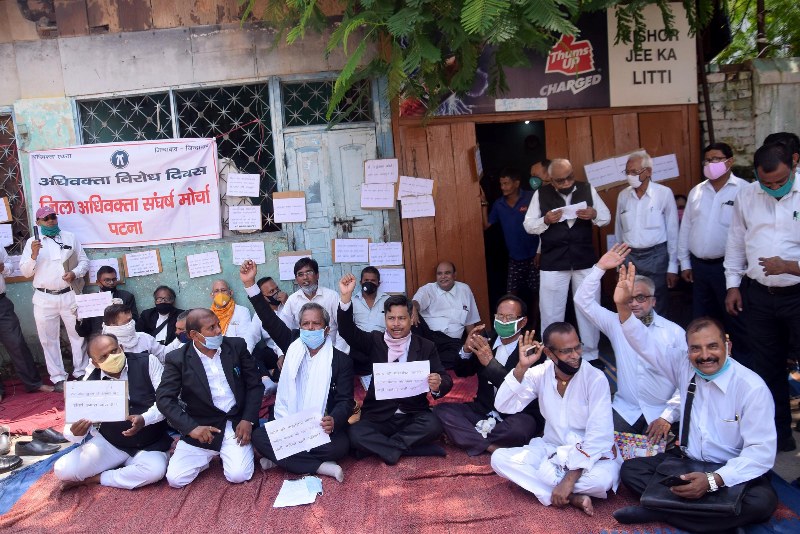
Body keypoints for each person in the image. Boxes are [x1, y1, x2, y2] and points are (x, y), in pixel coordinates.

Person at [612, 264, 778, 532]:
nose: (704, 355)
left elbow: (761, 453)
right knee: (631, 471)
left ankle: (662, 510)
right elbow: (644, 343)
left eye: (713, 346)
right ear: (687, 351)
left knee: (762, 501)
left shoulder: (751, 388)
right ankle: (713, 517)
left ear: (728, 345)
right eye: (695, 349)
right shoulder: (684, 366)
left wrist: (714, 481)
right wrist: (622, 306)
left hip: (729, 470)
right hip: (687, 462)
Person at [490, 322, 620, 517]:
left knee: (602, 481)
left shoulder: (595, 378)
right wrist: (521, 367)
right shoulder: (539, 373)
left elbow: (599, 437)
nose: (575, 355)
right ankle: (571, 497)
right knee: (499, 459)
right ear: (550, 354)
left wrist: (569, 478)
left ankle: (554, 487)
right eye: (567, 351)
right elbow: (504, 405)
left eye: (577, 347)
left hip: (591, 455)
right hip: (551, 448)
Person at [240, 259, 353, 482]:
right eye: (305, 324)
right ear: (299, 327)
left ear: (326, 329)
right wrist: (250, 284)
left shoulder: (340, 360)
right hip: (290, 425)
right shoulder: (291, 344)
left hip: (320, 428)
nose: (310, 328)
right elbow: (269, 319)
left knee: (341, 446)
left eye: (316, 324)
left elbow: (346, 401)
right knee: (259, 437)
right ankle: (320, 467)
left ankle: (283, 459)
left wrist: (334, 419)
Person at [724, 140, 800, 452]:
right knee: (767, 368)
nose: (774, 188)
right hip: (759, 297)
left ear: (795, 162)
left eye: (780, 182)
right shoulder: (747, 194)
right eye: (766, 183)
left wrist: (790, 266)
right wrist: (732, 284)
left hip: (798, 295)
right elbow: (736, 239)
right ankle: (779, 436)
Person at [338, 273, 453, 465]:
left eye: (401, 318)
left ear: (411, 318)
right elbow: (347, 331)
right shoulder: (375, 340)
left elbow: (445, 378)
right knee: (355, 432)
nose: (396, 324)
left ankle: (384, 449)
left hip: (413, 414)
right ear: (385, 319)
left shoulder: (425, 346)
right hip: (378, 417)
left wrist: (438, 383)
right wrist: (345, 299)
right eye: (391, 318)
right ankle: (411, 449)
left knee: (434, 424)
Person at [575, 243, 683, 436]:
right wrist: (600, 267)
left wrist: (668, 415)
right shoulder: (615, 323)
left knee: (661, 460)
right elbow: (582, 300)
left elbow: (687, 380)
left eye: (640, 298)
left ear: (653, 301)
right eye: (629, 298)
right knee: (602, 447)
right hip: (626, 410)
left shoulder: (674, 332)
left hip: (662, 413)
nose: (633, 303)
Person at [156, 308, 263, 488]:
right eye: (211, 328)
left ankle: (231, 452)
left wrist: (248, 419)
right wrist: (191, 428)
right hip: (201, 428)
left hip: (234, 424)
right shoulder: (177, 359)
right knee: (175, 479)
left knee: (238, 475)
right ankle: (208, 458)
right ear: (194, 335)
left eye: (218, 325)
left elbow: (255, 385)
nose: (218, 331)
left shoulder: (236, 346)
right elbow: (164, 399)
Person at [54, 334, 171, 490]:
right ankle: (124, 467)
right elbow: (70, 428)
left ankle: (98, 478)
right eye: (103, 357)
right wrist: (76, 432)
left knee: (155, 471)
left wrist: (144, 419)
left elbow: (166, 402)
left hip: (151, 442)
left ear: (121, 348)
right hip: (112, 443)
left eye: (114, 351)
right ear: (95, 363)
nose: (112, 358)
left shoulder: (147, 362)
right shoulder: (89, 382)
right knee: (63, 469)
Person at [522, 158, 610, 364]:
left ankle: (590, 355)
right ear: (550, 180)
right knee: (551, 311)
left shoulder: (587, 188)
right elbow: (528, 225)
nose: (567, 183)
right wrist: (545, 220)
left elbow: (606, 217)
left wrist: (594, 214)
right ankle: (552, 356)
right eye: (561, 180)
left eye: (570, 177)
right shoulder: (540, 194)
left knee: (588, 307)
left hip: (584, 259)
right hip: (553, 261)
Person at [433, 294, 541, 456]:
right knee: (442, 411)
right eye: (500, 316)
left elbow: (520, 390)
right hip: (483, 409)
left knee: (520, 430)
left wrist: (491, 364)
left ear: (523, 321)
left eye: (509, 317)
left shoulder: (531, 348)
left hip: (516, 415)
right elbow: (462, 371)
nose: (503, 322)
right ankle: (492, 447)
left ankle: (468, 436)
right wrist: (466, 350)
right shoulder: (486, 340)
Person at [678, 142, 751, 366]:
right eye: (707, 160)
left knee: (736, 322)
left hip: (729, 269)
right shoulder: (697, 191)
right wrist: (684, 262)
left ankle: (742, 368)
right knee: (702, 322)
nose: (711, 164)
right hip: (700, 268)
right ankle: (706, 367)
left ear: (729, 162)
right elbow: (686, 228)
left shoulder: (744, 190)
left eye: (716, 159)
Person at [19, 205, 89, 391]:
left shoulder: (69, 237)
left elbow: (84, 261)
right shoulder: (31, 243)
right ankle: (58, 377)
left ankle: (81, 372)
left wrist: (74, 273)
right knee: (48, 339)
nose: (51, 220)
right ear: (38, 222)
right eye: (46, 218)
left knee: (78, 335)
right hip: (44, 297)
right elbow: (25, 272)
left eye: (53, 217)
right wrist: (34, 254)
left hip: (69, 294)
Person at [615, 150, 680, 316]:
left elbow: (673, 231)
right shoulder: (623, 196)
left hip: (656, 256)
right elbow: (619, 230)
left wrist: (673, 266)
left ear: (649, 172)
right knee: (632, 302)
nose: (630, 176)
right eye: (628, 172)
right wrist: (618, 263)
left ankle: (658, 341)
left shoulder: (663, 193)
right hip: (630, 257)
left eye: (635, 172)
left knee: (656, 301)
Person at [0, 247, 53, 402]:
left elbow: (10, 267)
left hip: (1, 303)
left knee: (16, 342)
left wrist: (3, 268)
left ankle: (34, 383)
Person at [481, 168, 541, 301]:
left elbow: (545, 223)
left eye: (506, 183)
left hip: (534, 257)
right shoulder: (499, 204)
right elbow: (486, 226)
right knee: (511, 295)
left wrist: (539, 252)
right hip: (515, 258)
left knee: (537, 293)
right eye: (501, 184)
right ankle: (513, 320)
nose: (502, 187)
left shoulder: (531, 197)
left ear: (516, 183)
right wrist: (484, 204)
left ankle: (536, 322)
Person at [411, 261, 481, 369]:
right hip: (429, 336)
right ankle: (429, 360)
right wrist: (413, 307)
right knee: (411, 314)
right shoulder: (428, 289)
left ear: (454, 275)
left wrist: (473, 343)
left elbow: (470, 322)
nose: (443, 277)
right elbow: (417, 302)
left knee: (460, 357)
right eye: (439, 274)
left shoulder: (465, 290)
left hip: (451, 341)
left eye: (447, 273)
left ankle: (426, 362)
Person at [279, 257, 349, 353]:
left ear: (317, 275)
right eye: (300, 274)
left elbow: (343, 327)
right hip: (302, 352)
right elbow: (282, 329)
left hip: (331, 349)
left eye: (309, 272)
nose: (305, 277)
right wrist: (281, 354)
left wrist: (338, 353)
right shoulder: (292, 300)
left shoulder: (332, 296)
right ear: (296, 279)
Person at [350, 266, 390, 386]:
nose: (369, 283)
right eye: (366, 280)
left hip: (381, 343)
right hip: (360, 344)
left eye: (373, 281)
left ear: (378, 283)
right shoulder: (352, 301)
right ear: (361, 282)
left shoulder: (388, 300)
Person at [75, 265, 139, 337]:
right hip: (99, 341)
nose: (111, 283)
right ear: (98, 282)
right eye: (107, 280)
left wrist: (123, 310)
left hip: (122, 338)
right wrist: (79, 319)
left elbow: (135, 322)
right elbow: (83, 333)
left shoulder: (126, 297)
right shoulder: (90, 301)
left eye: (114, 279)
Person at [99, 304, 165, 363]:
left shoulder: (144, 338)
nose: (131, 323)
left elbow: (163, 354)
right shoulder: (101, 347)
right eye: (127, 321)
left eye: (131, 320)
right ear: (113, 326)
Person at [209, 279, 258, 353]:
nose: (220, 294)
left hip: (238, 352)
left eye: (223, 290)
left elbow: (246, 338)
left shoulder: (242, 311)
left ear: (230, 293)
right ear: (212, 295)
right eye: (216, 291)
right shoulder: (208, 315)